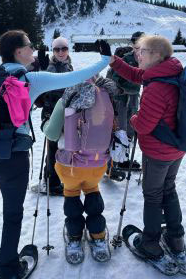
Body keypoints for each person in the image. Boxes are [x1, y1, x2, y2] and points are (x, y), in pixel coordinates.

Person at [0, 30, 111, 279]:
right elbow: (75, 77)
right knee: (12, 214)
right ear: (18, 51)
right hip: (12, 157)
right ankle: (8, 269)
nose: (33, 50)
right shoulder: (30, 79)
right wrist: (104, 60)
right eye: (29, 46)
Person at [109, 34, 186, 266]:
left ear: (156, 55)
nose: (136, 55)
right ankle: (176, 239)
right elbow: (135, 74)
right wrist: (113, 61)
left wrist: (132, 118)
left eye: (141, 51)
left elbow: (143, 125)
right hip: (176, 149)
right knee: (169, 190)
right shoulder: (169, 73)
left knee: (152, 195)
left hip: (158, 152)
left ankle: (151, 243)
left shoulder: (157, 88)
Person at [41, 75, 117, 263]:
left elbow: (51, 133)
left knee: (72, 194)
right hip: (98, 163)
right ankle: (98, 236)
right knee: (92, 191)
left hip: (70, 165)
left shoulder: (67, 98)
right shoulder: (106, 97)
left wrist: (44, 123)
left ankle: (75, 237)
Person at [32, 36, 73, 196]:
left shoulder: (69, 66)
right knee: (53, 147)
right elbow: (45, 86)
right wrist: (42, 70)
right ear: (53, 51)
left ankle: (53, 179)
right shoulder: (50, 66)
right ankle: (51, 182)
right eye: (57, 49)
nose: (61, 52)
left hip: (67, 112)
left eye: (64, 48)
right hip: (51, 113)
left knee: (60, 147)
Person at [106, 32, 142, 173]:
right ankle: (112, 164)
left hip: (133, 100)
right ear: (133, 44)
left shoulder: (146, 59)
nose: (139, 46)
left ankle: (124, 160)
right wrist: (125, 90)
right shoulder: (126, 59)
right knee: (119, 130)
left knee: (130, 131)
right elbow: (113, 81)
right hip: (121, 100)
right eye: (136, 43)